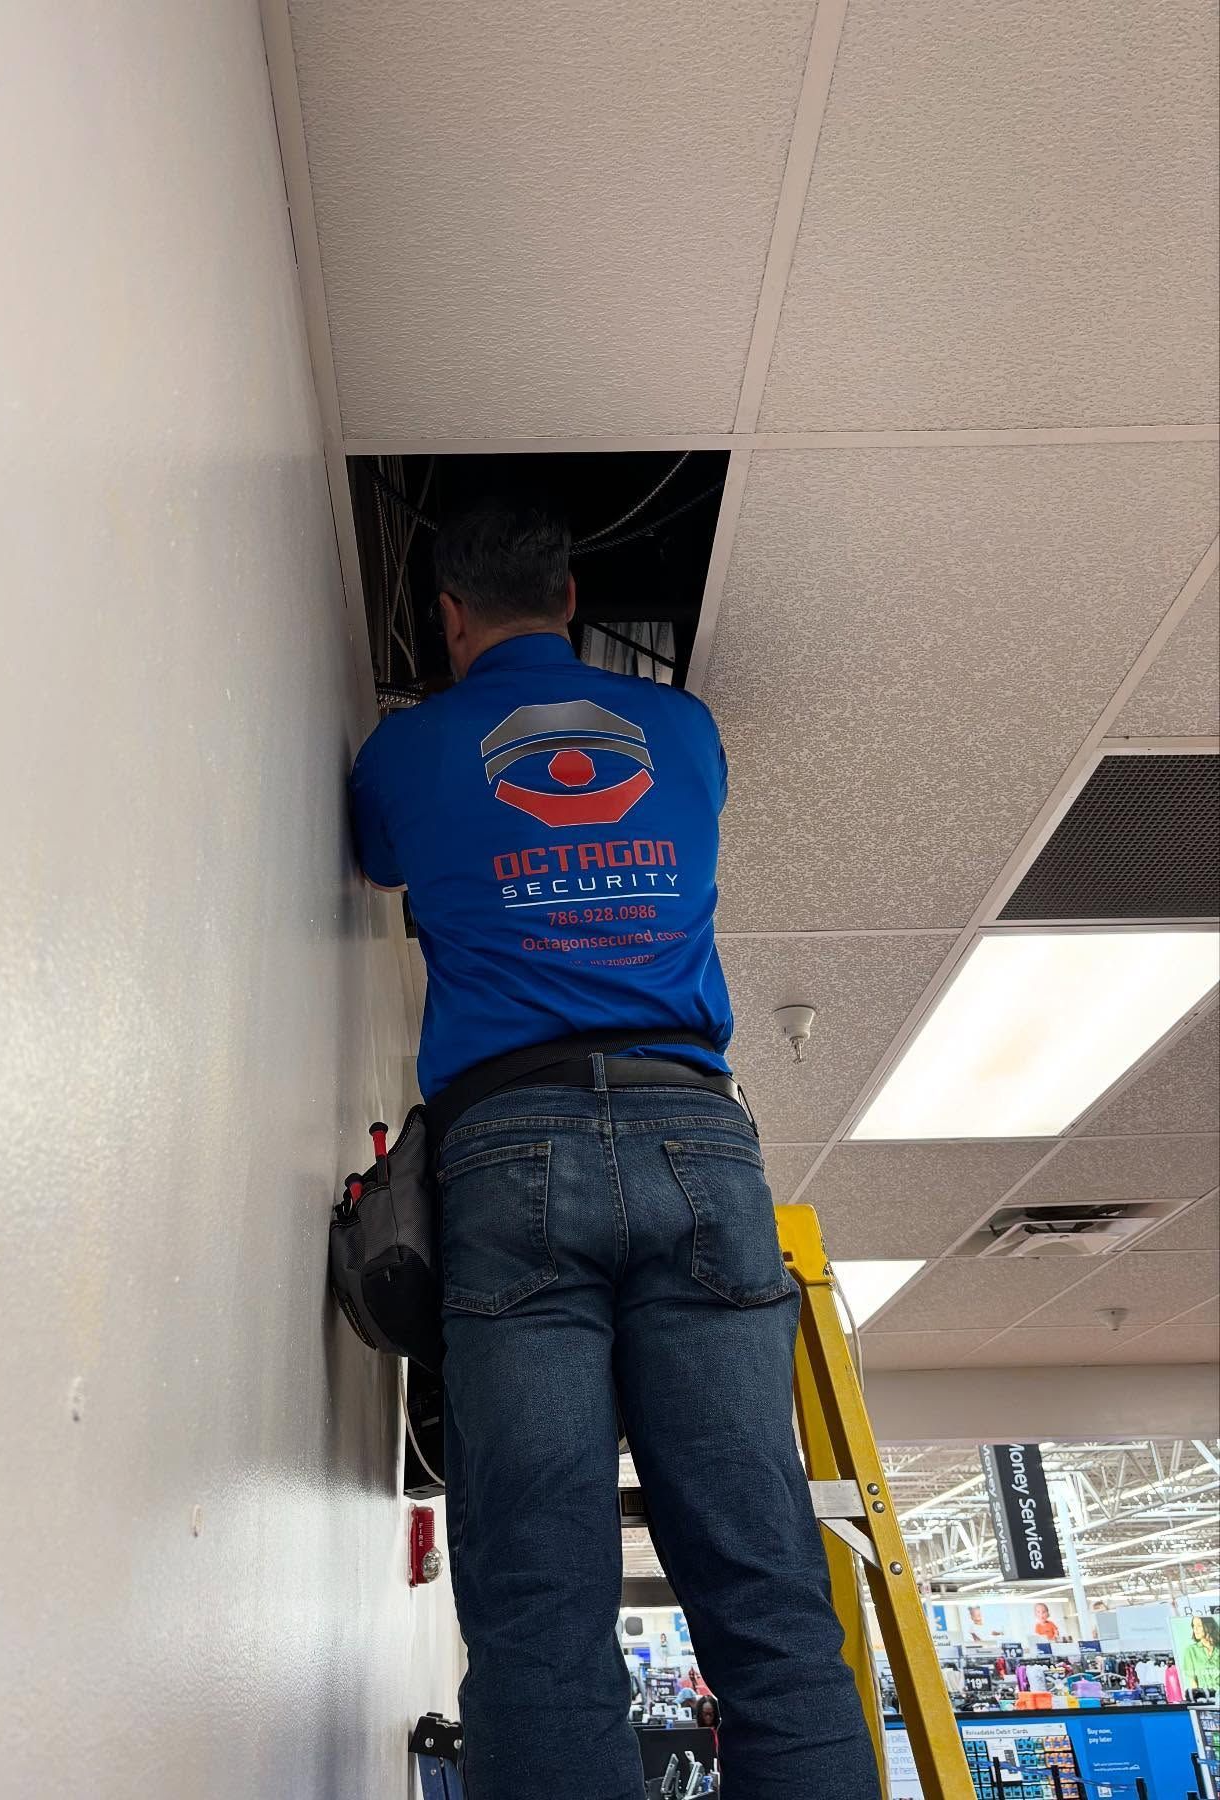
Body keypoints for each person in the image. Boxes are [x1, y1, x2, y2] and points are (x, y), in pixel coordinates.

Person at [348, 496, 879, 1800]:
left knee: (541, 1609)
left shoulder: (411, 751)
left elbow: (376, 859)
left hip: (508, 1152)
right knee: (765, 1592)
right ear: (573, 601)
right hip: (699, 1141)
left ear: (447, 618)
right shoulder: (683, 733)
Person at [1180, 1615, 1220, 1694]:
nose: (1195, 1629)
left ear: (1208, 1626)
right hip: (1206, 1697)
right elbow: (1193, 1681)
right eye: (1193, 1626)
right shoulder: (1190, 1651)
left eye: (1199, 1625)